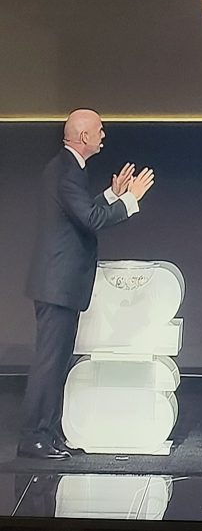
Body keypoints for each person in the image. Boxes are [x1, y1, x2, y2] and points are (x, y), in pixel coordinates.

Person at [21, 109, 155, 459]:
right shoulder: (65, 170)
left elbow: (80, 212)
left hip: (61, 285)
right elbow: (91, 219)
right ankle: (33, 437)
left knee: (58, 364)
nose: (103, 135)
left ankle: (49, 433)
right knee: (49, 364)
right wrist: (131, 199)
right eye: (99, 130)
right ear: (84, 137)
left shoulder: (69, 169)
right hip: (56, 285)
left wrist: (112, 195)